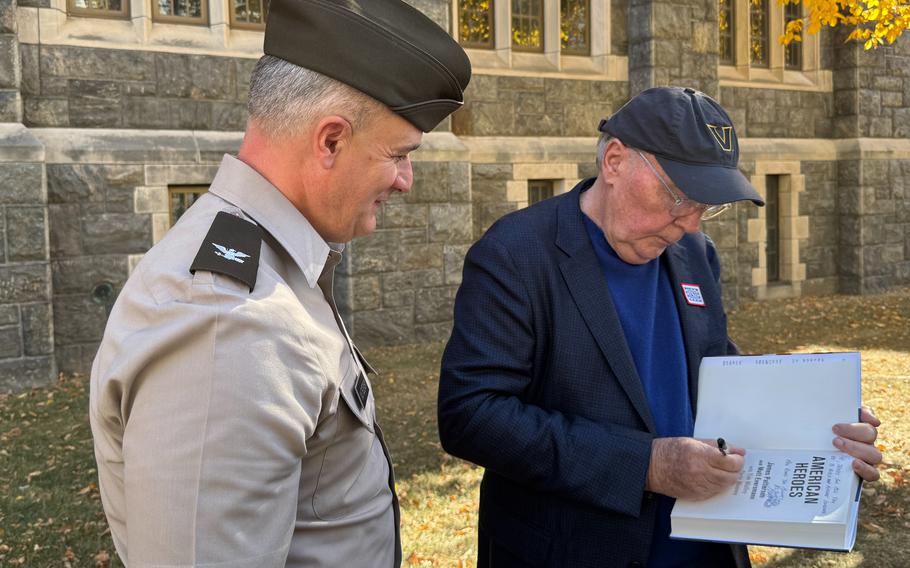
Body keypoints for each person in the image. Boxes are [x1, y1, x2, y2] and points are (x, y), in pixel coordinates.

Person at [89, 1, 470, 566]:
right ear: (331, 141)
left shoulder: (264, 258)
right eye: (398, 155)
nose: (406, 181)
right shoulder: (230, 326)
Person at [437, 87, 882, 568]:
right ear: (614, 161)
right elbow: (472, 416)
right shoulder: (516, 253)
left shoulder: (695, 255)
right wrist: (646, 465)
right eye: (677, 197)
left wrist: (821, 430)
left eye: (705, 206)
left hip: (706, 550)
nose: (689, 224)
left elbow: (716, 375)